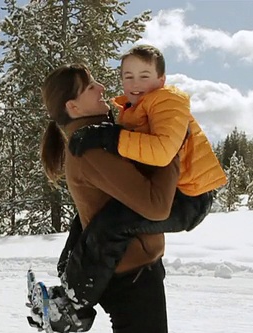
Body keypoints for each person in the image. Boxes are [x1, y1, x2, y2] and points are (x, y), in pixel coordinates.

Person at [35, 63, 181, 333]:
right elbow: (156, 205)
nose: (101, 87)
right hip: (130, 275)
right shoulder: (90, 150)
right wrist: (172, 147)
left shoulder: (96, 139)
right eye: (91, 86)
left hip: (131, 268)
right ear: (73, 105)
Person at [69, 44, 227, 234]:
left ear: (161, 81)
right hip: (169, 191)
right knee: (100, 217)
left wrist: (109, 136)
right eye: (129, 77)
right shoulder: (133, 110)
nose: (136, 84)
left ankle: (81, 265)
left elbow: (162, 153)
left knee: (111, 227)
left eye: (144, 76)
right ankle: (69, 261)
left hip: (189, 197)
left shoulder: (167, 101)